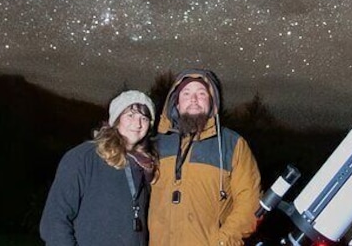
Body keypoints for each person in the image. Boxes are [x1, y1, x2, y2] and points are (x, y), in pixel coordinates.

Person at [148, 68, 261, 246]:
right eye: (186, 93)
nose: (193, 99)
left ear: (212, 102)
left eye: (201, 93)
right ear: (176, 103)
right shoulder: (154, 144)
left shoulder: (233, 144)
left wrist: (223, 242)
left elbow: (250, 204)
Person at [40, 90, 158, 246]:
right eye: (130, 115)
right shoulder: (84, 157)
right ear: (116, 119)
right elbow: (54, 220)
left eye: (144, 118)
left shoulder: (145, 166)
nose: (137, 124)